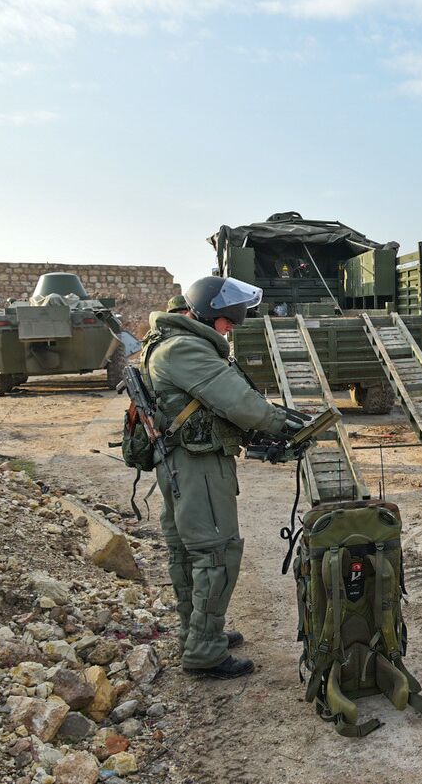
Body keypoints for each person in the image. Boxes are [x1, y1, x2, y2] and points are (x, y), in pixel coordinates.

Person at [142, 276, 302, 679]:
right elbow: (240, 403)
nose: (232, 328)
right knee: (216, 552)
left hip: (182, 462)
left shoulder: (172, 343)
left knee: (189, 551)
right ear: (210, 314)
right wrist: (283, 425)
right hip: (197, 465)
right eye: (228, 322)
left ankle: (197, 634)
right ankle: (204, 650)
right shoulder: (185, 349)